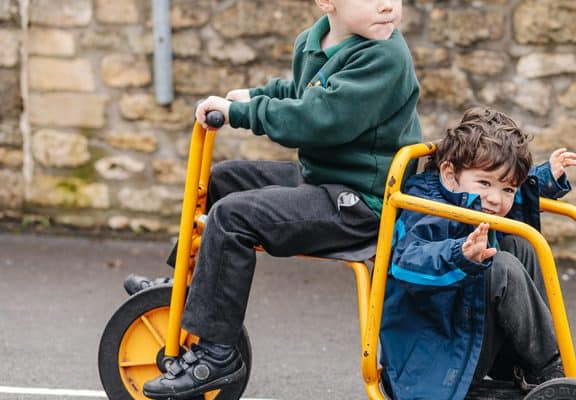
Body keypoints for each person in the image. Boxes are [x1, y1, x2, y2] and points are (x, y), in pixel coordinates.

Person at [138, 0, 420, 398]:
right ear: (327, 3)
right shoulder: (314, 41)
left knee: (233, 216)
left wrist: (245, 113)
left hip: (361, 203)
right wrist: (254, 94)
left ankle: (217, 355)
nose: (388, 5)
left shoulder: (385, 56)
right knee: (223, 181)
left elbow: (319, 117)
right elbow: (301, 90)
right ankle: (186, 287)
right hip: (323, 180)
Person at [379, 107, 576, 400]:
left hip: (467, 335)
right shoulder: (423, 207)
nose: (495, 198)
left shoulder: (471, 197)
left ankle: (540, 368)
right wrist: (458, 255)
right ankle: (551, 371)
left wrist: (543, 179)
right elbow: (405, 264)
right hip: (430, 360)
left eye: (508, 188)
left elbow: (502, 201)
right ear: (449, 174)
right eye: (485, 183)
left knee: (521, 246)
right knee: (500, 266)